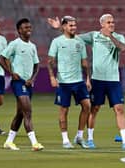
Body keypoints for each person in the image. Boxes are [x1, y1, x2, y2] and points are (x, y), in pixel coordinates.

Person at [47, 14, 125, 149]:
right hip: (97, 79)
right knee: (94, 109)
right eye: (109, 22)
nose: (112, 24)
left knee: (119, 109)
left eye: (113, 22)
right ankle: (90, 139)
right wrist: (59, 28)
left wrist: (111, 37)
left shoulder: (119, 37)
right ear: (102, 24)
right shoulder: (93, 36)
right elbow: (73, 36)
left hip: (113, 79)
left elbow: (122, 48)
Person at [0, 18, 44, 151]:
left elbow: (36, 65)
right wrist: (11, 73)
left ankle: (9, 141)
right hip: (18, 83)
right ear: (19, 30)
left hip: (29, 84)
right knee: (28, 111)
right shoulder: (15, 44)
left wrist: (33, 79)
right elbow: (1, 58)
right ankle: (34, 143)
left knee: (20, 113)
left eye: (29, 27)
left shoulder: (32, 46)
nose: (28, 29)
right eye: (25, 27)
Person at [48, 16, 91, 149]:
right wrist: (52, 77)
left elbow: (84, 62)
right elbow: (50, 61)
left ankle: (79, 136)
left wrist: (88, 78)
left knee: (87, 106)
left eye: (74, 25)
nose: (74, 27)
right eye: (71, 25)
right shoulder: (57, 41)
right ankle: (65, 139)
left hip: (79, 81)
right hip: (64, 82)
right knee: (64, 110)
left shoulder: (80, 42)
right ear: (64, 27)